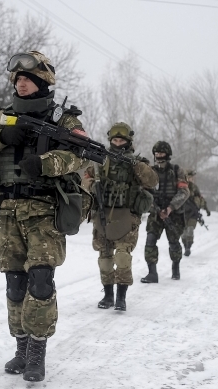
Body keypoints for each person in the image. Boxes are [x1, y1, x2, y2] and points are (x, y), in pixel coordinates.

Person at [0, 51, 91, 382]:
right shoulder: (1, 117)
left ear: (42, 83)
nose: (21, 84)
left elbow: (80, 156)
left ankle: (37, 352)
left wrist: (46, 163)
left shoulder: (64, 121)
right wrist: (1, 138)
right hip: (6, 211)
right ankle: (20, 348)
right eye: (18, 80)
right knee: (14, 282)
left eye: (27, 80)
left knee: (40, 280)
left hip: (43, 213)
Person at [83, 122, 158, 311]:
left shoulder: (136, 162)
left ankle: (121, 297)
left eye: (121, 139)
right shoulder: (101, 159)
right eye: (115, 139)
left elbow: (152, 181)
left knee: (123, 256)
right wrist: (92, 185)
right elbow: (85, 179)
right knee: (105, 257)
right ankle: (108, 295)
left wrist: (135, 164)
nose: (118, 142)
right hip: (103, 213)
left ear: (128, 141)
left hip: (127, 215)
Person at [141, 141, 190, 282]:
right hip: (156, 213)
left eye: (161, 153)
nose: (158, 156)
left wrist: (170, 208)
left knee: (174, 242)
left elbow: (184, 192)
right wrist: (154, 208)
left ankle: (176, 267)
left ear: (167, 155)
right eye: (156, 153)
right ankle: (152, 273)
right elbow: (144, 192)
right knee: (150, 241)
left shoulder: (176, 171)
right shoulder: (150, 172)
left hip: (174, 214)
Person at [181, 169, 210, 257]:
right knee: (183, 232)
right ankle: (185, 245)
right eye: (189, 177)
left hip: (193, 213)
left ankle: (188, 247)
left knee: (190, 230)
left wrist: (206, 209)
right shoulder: (181, 186)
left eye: (192, 177)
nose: (191, 179)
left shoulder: (194, 188)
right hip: (182, 213)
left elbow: (201, 198)